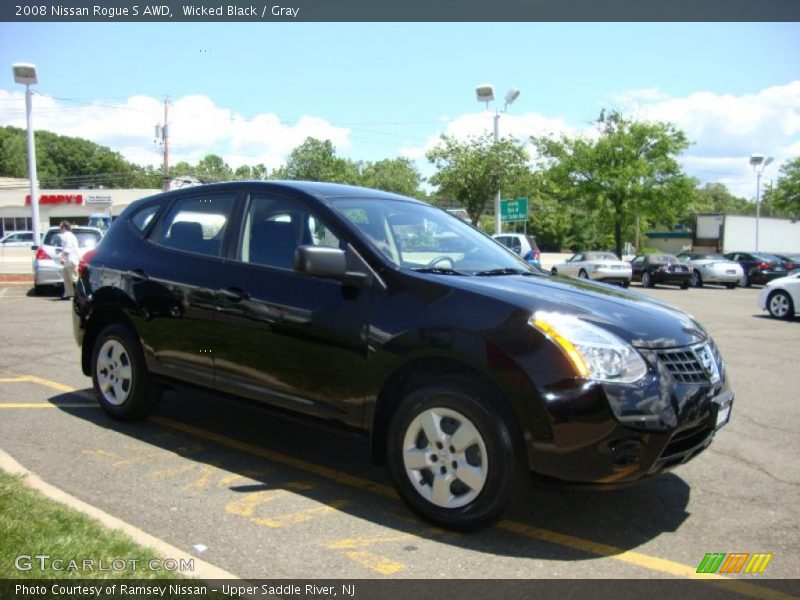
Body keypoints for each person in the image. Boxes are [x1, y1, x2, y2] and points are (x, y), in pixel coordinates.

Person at [58, 220, 80, 300]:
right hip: (67, 262)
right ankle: (68, 294)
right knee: (67, 278)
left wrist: (63, 258)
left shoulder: (67, 236)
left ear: (63, 227)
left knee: (74, 278)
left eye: (60, 226)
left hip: (71, 260)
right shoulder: (66, 236)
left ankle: (81, 295)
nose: (59, 228)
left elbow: (68, 248)